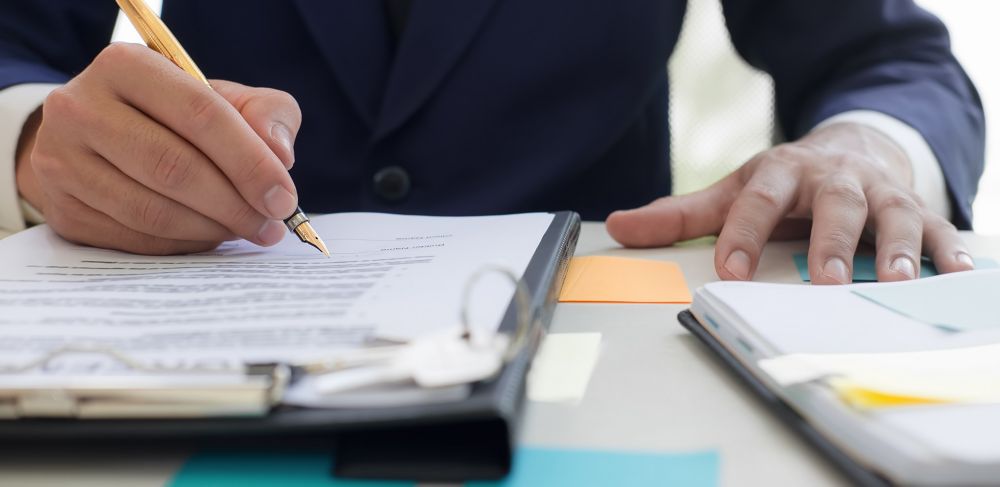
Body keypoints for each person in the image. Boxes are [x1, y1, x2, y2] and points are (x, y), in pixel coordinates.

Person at [0, 0, 985, 284]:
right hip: (206, 330)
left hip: (603, 361)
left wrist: (869, 145)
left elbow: (889, 59)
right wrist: (31, 140)